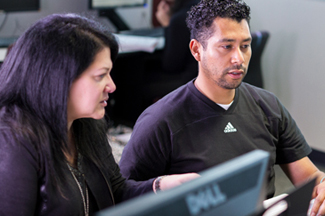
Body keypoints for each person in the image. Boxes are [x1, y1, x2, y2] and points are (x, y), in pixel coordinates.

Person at [119, 0, 325, 215]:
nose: (239, 58)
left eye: (245, 46)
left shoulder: (268, 106)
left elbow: (309, 178)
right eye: (226, 47)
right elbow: (122, 193)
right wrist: (160, 185)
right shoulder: (161, 119)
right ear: (197, 50)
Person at [0, 13, 198, 215]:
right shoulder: (13, 141)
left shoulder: (85, 125)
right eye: (100, 76)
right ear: (59, 78)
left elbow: (116, 192)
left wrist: (162, 185)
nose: (112, 86)